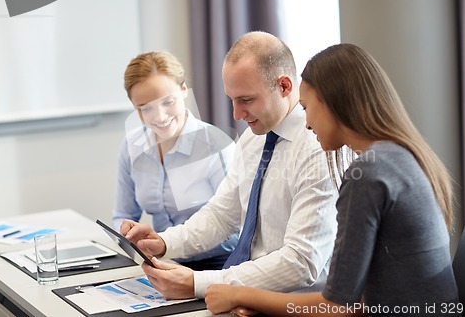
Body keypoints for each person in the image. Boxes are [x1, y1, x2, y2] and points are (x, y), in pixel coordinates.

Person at [204, 43, 460, 316]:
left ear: (335, 104)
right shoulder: (398, 157)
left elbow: (337, 306)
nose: (307, 123)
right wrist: (262, 302)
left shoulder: (367, 177)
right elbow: (362, 301)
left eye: (306, 107)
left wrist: (241, 294)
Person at [121, 31, 339, 300]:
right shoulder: (252, 139)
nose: (236, 114)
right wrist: (165, 242)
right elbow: (221, 214)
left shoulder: (316, 148)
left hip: (291, 303)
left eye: (246, 100)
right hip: (243, 295)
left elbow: (301, 262)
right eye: (232, 100)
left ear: (284, 86)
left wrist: (200, 283)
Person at [113, 51, 238, 270]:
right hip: (160, 263)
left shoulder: (216, 147)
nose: (159, 117)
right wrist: (126, 233)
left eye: (167, 102)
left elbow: (238, 232)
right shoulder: (131, 146)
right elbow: (122, 215)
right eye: (146, 108)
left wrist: (167, 245)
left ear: (183, 91)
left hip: (218, 267)